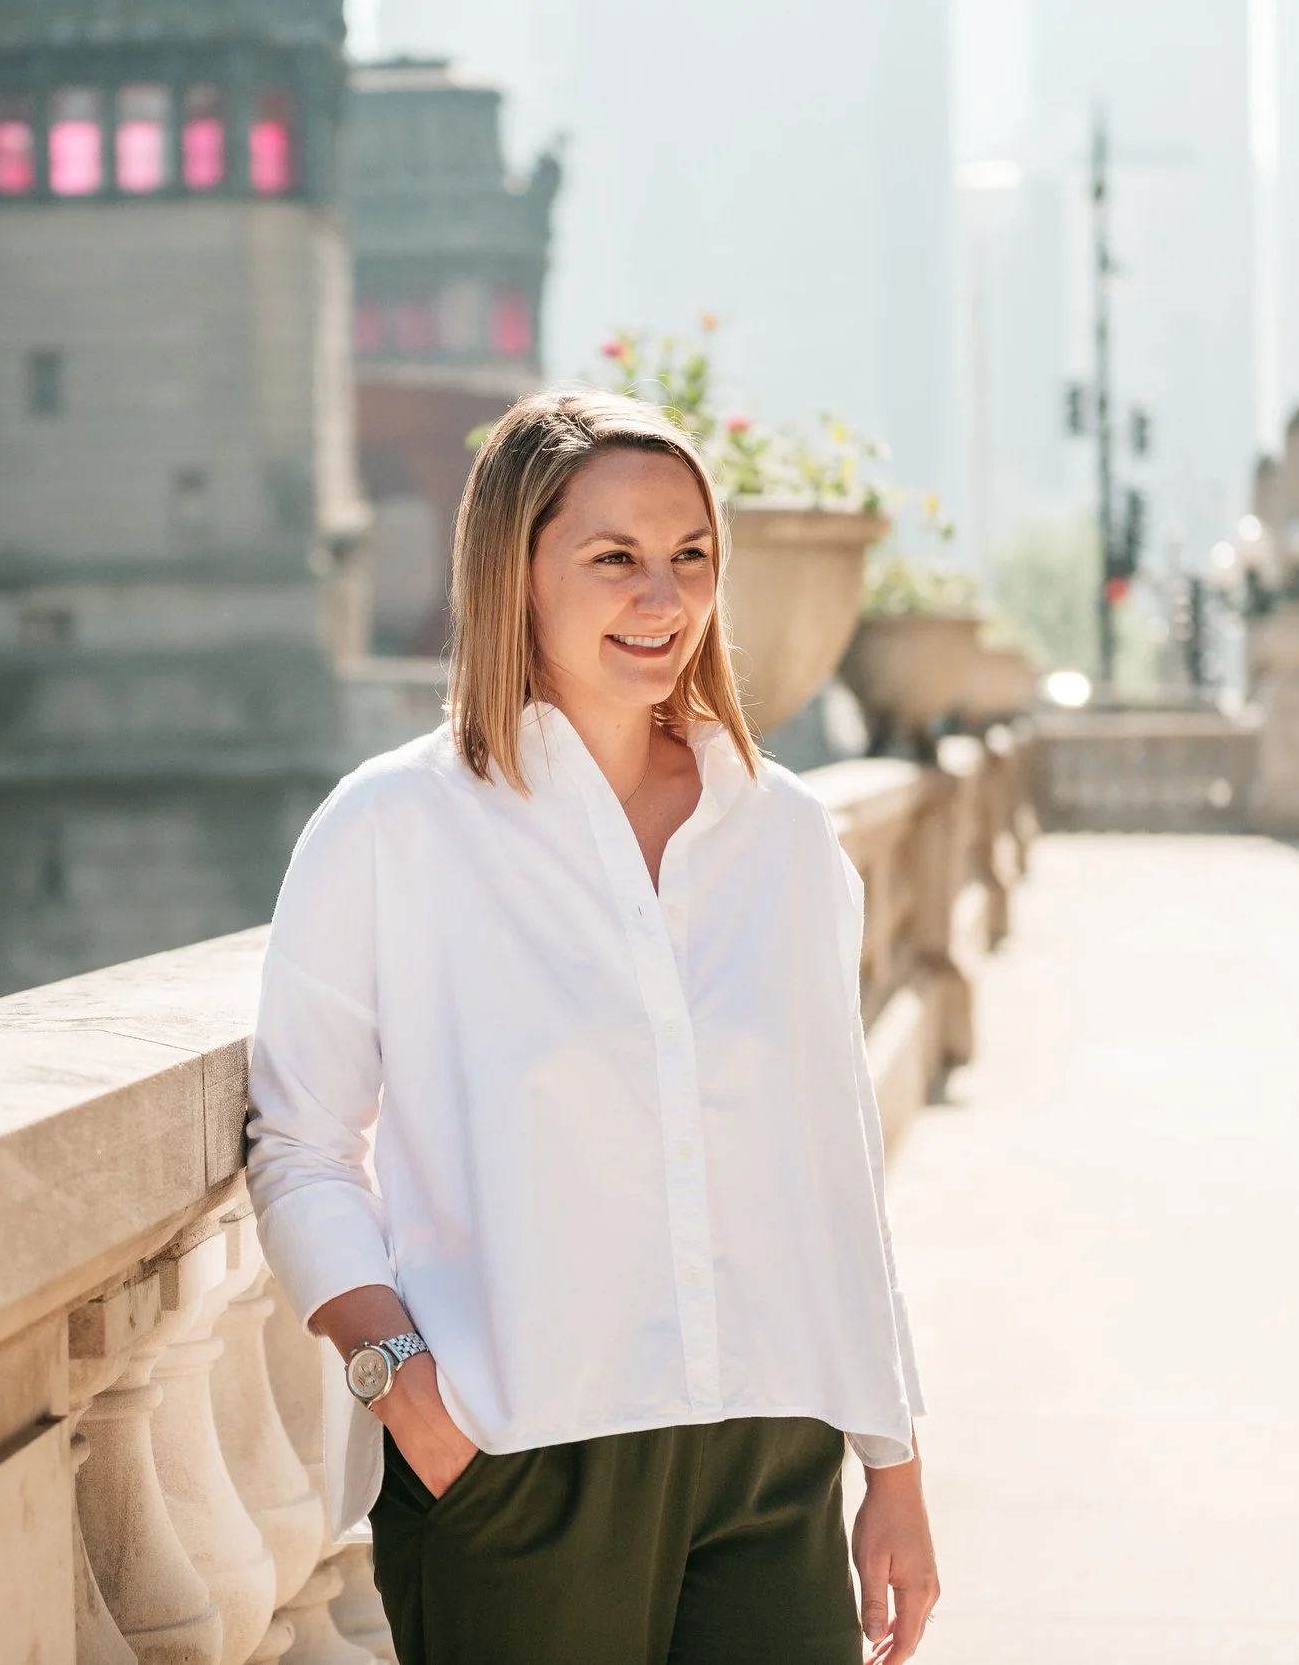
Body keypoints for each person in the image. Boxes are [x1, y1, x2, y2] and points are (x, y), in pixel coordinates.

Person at [245, 389, 939, 1663]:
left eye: (690, 555)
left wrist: (891, 1463)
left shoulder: (783, 834)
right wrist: (402, 1388)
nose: (662, 597)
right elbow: (301, 1144)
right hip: (519, 1463)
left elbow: (832, 1163)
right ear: (514, 569)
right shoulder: (392, 828)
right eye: (614, 556)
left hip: (773, 1454)